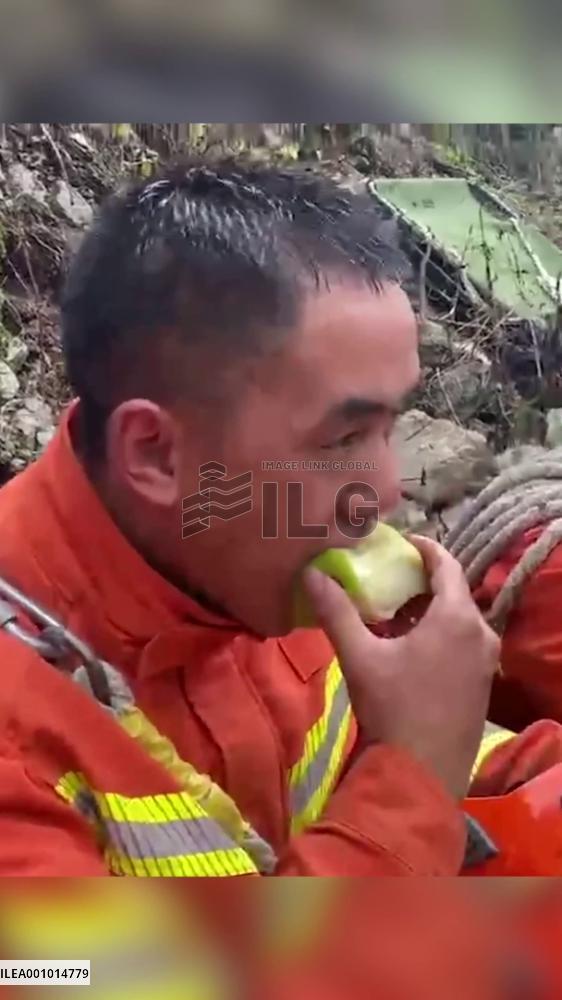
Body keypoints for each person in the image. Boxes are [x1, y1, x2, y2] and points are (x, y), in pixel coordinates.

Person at [0, 158, 556, 886]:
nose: (386, 489)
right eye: (343, 439)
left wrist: (461, 742)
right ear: (156, 453)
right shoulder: (21, 737)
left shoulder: (258, 572)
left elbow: (432, 748)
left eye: (391, 424)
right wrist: (413, 775)